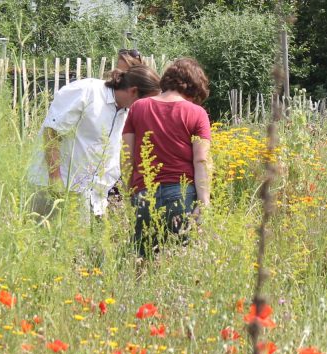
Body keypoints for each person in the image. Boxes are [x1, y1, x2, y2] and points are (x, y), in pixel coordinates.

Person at [28, 65, 161, 220]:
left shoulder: (127, 112)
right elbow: (52, 132)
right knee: (43, 239)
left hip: (91, 197)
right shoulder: (88, 91)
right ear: (133, 91)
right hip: (54, 190)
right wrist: (55, 181)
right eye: (148, 100)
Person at [122, 57, 212, 258]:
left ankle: (139, 290)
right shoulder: (197, 113)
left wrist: (128, 194)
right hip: (181, 195)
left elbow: (127, 156)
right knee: (177, 262)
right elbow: (201, 160)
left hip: (143, 194)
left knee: (142, 260)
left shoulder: (138, 108)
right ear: (194, 88)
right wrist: (204, 201)